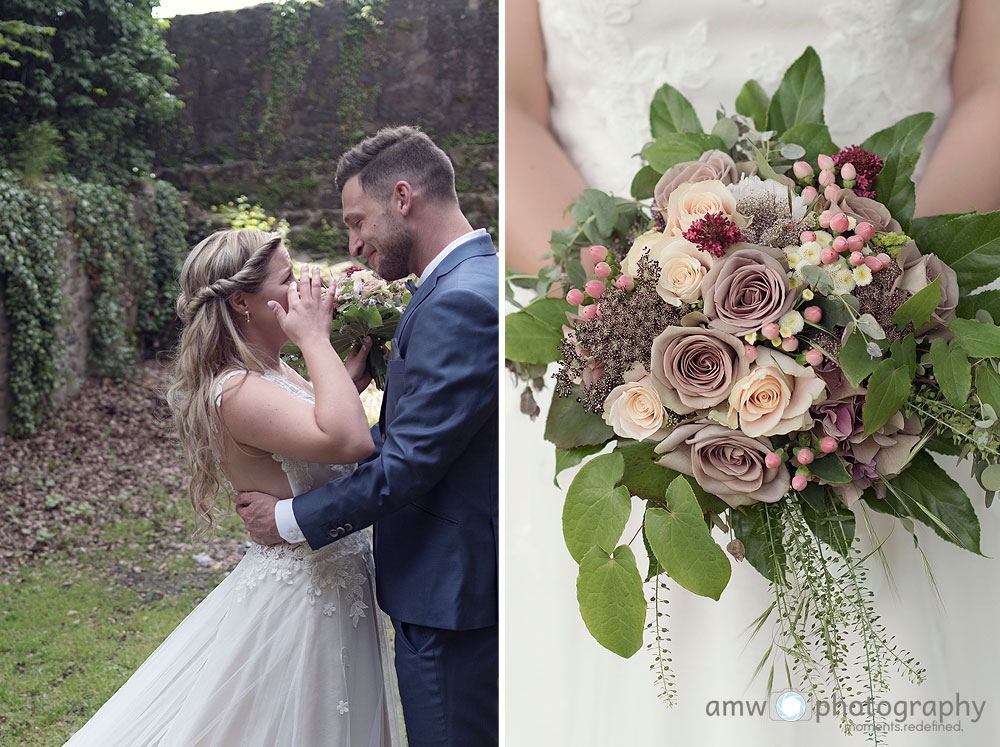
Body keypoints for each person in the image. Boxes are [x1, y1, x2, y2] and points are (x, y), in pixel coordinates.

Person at [505, 1, 1000, 745]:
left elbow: (989, 81)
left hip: (899, 347)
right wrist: (629, 313)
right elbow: (511, 100)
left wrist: (885, 289)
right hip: (610, 323)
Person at [65, 228, 405, 745]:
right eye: (288, 279)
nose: (302, 289)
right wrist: (315, 337)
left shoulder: (271, 371)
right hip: (303, 597)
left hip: (333, 584)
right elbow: (352, 440)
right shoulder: (236, 389)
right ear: (243, 301)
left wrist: (342, 371)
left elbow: (321, 426)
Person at [236, 126, 499, 747]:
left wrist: (291, 519)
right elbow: (425, 434)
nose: (354, 244)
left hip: (451, 593)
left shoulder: (459, 301)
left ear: (402, 197)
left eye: (358, 220)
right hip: (453, 584)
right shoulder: (469, 281)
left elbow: (410, 466)